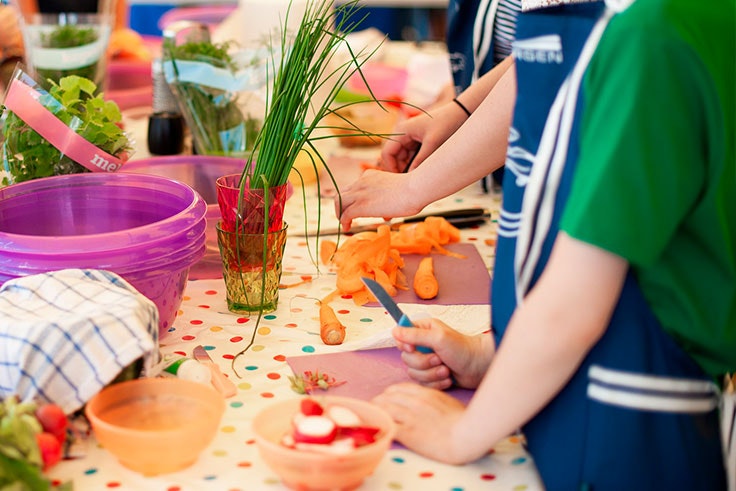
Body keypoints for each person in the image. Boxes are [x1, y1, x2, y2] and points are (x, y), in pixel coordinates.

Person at [369, 0, 735, 489]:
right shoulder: (670, 24)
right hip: (579, 393)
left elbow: (576, 305)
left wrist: (462, 434)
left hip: (624, 430)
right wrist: (495, 357)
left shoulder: (651, 39)